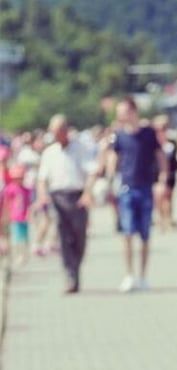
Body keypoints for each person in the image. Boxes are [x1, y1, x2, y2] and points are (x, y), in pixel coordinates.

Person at [105, 96, 168, 292]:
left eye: (123, 112)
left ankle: (143, 276)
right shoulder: (119, 135)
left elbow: (160, 156)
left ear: (133, 112)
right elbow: (113, 157)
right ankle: (129, 275)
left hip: (146, 188)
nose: (120, 115)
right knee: (127, 232)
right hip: (126, 188)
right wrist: (110, 179)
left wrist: (162, 179)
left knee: (145, 234)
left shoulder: (149, 133)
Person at [37, 114, 97, 293]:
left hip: (77, 197)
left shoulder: (80, 149)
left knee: (79, 236)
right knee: (63, 236)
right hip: (58, 197)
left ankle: (75, 267)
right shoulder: (49, 152)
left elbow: (91, 172)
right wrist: (43, 196)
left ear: (65, 130)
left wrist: (87, 193)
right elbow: (42, 178)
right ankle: (70, 274)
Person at [1, 163, 32, 268]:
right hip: (14, 218)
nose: (18, 180)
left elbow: (29, 203)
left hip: (24, 218)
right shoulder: (9, 189)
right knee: (16, 238)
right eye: (16, 178)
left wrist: (29, 212)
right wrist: (5, 215)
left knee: (24, 238)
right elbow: (6, 202)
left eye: (20, 178)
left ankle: (24, 254)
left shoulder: (26, 190)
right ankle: (17, 256)